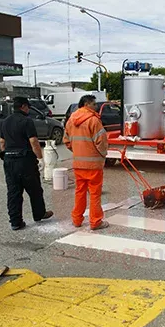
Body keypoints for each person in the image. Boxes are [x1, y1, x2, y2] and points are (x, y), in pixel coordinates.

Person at [0, 97, 54, 230]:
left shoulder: (5, 121)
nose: (28, 109)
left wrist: (7, 154)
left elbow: (2, 142)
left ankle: (15, 222)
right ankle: (39, 213)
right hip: (25, 160)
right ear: (23, 106)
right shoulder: (26, 121)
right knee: (34, 189)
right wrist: (40, 159)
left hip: (9, 160)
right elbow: (33, 141)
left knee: (13, 192)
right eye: (27, 107)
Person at [63, 95, 109, 230]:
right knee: (94, 193)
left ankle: (77, 220)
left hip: (78, 164)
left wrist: (78, 151)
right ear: (87, 104)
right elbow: (101, 142)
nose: (96, 106)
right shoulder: (94, 121)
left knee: (80, 192)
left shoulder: (71, 120)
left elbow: (66, 141)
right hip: (93, 165)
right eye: (94, 104)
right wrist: (102, 155)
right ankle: (95, 222)